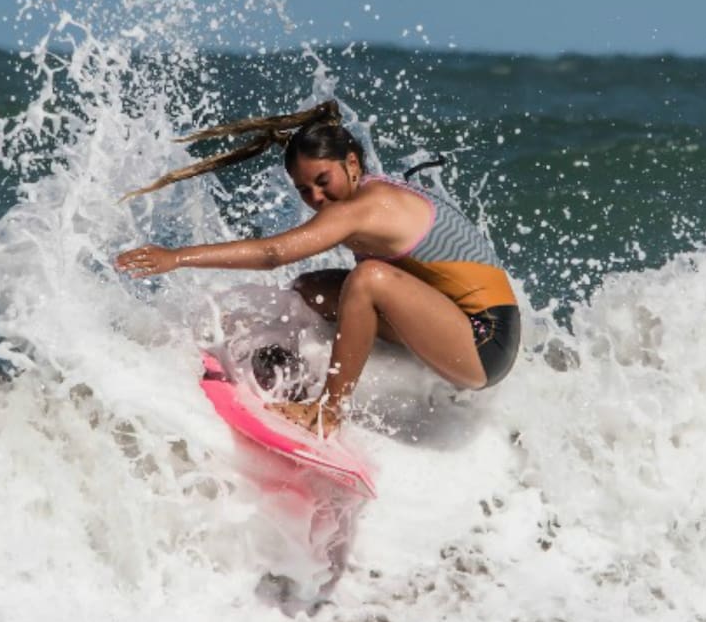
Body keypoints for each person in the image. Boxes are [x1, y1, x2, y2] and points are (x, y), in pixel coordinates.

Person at [114, 101, 520, 436]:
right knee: (315, 289)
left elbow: (272, 253)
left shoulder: (366, 206)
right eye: (305, 190)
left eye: (324, 180)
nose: (317, 196)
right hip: (445, 321)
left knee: (368, 280)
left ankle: (329, 411)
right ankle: (293, 370)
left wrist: (177, 257)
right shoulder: (364, 194)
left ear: (353, 164)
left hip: (485, 343)